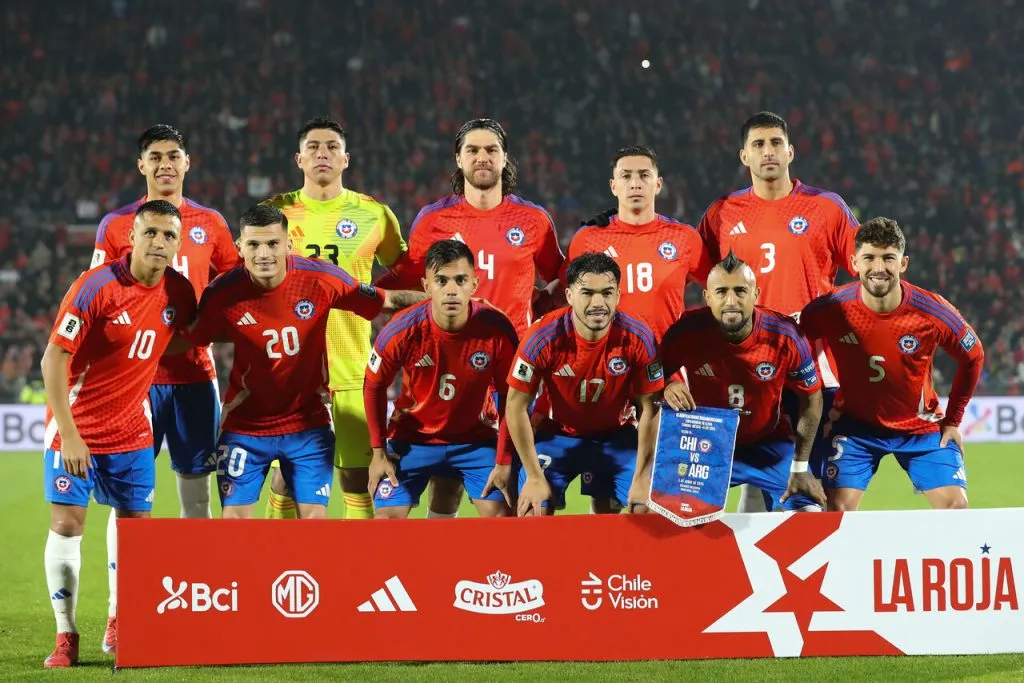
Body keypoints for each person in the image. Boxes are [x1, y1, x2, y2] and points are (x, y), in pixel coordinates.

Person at [90, 125, 238, 653]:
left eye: (174, 155)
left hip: (195, 377)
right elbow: (94, 297)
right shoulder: (115, 225)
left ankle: (197, 601)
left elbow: (233, 292)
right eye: (156, 157)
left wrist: (210, 333)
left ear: (188, 162)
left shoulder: (212, 224)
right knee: (127, 501)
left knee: (196, 493)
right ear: (141, 166)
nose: (166, 164)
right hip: (131, 384)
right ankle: (118, 613)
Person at [184, 205, 424, 519]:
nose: (264, 254)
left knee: (314, 522)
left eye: (272, 244)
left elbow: (387, 300)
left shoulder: (319, 278)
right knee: (234, 526)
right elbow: (193, 336)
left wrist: (456, 304)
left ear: (288, 245)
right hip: (246, 426)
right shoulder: (222, 294)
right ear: (240, 247)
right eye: (254, 245)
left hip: (308, 423)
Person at [377, 118, 565, 518]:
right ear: (458, 160)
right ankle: (443, 574)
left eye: (491, 150)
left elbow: (563, 279)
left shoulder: (533, 221)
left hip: (512, 374)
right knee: (445, 484)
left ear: (504, 158)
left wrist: (539, 314)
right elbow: (409, 280)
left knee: (507, 496)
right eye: (473, 150)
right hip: (449, 363)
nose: (483, 158)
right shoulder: (433, 220)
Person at [41, 200, 196, 668]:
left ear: (177, 243)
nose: (159, 242)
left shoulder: (179, 292)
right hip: (79, 427)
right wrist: (68, 433)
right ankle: (66, 635)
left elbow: (185, 336)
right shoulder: (97, 286)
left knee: (135, 534)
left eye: (169, 235)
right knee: (68, 527)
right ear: (131, 236)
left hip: (132, 431)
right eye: (150, 233)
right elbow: (53, 359)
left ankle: (120, 620)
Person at [697, 111, 860, 512]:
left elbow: (868, 271)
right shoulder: (722, 213)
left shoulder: (826, 208)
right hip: (744, 366)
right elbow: (695, 273)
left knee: (814, 484)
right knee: (758, 466)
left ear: (790, 152)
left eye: (774, 144)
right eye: (758, 145)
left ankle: (815, 569)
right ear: (743, 156)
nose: (767, 152)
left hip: (813, 364)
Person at [262, 116, 407, 521]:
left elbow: (402, 271)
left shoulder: (374, 214)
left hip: (352, 361)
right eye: (313, 147)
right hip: (289, 365)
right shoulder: (275, 212)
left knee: (356, 478)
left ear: (346, 158)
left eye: (330, 147)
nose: (322, 153)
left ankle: (350, 576)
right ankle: (282, 573)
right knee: (284, 478)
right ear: (299, 159)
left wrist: (372, 301)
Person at [800, 218, 984, 511]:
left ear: (903, 263)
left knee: (956, 509)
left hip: (919, 428)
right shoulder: (828, 310)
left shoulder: (932, 312)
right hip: (855, 428)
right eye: (869, 258)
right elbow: (795, 352)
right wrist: (816, 404)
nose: (879, 267)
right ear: (854, 262)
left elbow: (974, 356)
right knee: (835, 514)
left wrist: (954, 419)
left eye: (888, 258)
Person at [638, 251, 826, 513]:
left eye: (740, 291)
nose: (731, 301)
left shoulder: (784, 335)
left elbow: (812, 397)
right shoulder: (687, 332)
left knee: (811, 515)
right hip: (706, 444)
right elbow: (650, 380)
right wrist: (668, 384)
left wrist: (800, 467)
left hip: (768, 443)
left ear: (756, 294)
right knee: (664, 513)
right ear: (707, 296)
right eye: (721, 292)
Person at [365, 240, 518, 518]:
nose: (451, 290)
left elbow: (511, 398)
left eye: (460, 280)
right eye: (441, 280)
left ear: (474, 284)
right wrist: (378, 452)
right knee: (385, 522)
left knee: (502, 517)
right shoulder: (401, 330)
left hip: (476, 439)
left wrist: (504, 461)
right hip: (412, 439)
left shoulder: (497, 328)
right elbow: (374, 385)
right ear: (426, 286)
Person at [504, 253, 664, 515]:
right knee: (533, 509)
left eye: (607, 292)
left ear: (618, 295)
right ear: (569, 295)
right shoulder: (542, 336)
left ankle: (616, 557)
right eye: (587, 293)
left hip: (617, 437)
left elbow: (651, 409)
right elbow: (515, 406)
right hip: (557, 435)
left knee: (650, 508)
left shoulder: (639, 336)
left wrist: (644, 474)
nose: (598, 303)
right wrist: (533, 476)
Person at [566, 145, 711, 339]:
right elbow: (565, 299)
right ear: (613, 186)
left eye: (644, 175)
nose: (635, 184)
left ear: (658, 184)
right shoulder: (587, 239)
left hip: (668, 363)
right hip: (610, 363)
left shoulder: (685, 238)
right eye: (626, 176)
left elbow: (718, 291)